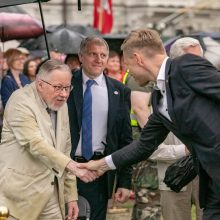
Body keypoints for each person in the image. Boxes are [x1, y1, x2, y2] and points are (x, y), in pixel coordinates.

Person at [79, 28, 220, 220]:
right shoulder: (158, 98)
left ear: (138, 59)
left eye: (127, 65)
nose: (128, 73)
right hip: (212, 184)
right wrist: (100, 165)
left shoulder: (186, 65)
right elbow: (144, 145)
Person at [0, 59, 97, 220]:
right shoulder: (20, 101)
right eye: (58, 87)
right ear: (40, 84)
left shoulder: (61, 104)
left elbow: (65, 149)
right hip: (18, 198)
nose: (64, 94)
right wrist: (73, 166)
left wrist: (71, 195)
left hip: (52, 195)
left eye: (67, 87)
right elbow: (35, 143)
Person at [67, 36, 133, 220]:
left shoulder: (119, 91)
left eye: (103, 55)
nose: (99, 59)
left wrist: (124, 182)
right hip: (66, 169)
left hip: (99, 172)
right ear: (81, 56)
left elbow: (125, 140)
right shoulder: (65, 85)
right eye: (92, 54)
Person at [148, 37, 204, 220]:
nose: (197, 65)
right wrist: (185, 150)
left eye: (199, 60)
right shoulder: (160, 96)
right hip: (174, 178)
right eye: (191, 60)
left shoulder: (210, 90)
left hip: (208, 176)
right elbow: (151, 149)